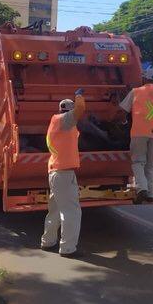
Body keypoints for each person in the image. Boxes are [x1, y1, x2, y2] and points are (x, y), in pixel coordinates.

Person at [41, 89, 85, 258]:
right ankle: (68, 248)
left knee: (55, 210)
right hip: (64, 174)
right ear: (68, 111)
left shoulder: (56, 122)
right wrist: (79, 95)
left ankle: (48, 241)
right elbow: (80, 110)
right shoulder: (64, 120)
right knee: (71, 211)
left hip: (55, 171)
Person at [119, 69, 153, 204]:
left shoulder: (136, 91)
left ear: (144, 79)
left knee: (138, 161)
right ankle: (150, 194)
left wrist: (121, 121)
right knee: (150, 163)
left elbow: (123, 111)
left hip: (139, 132)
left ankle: (142, 188)